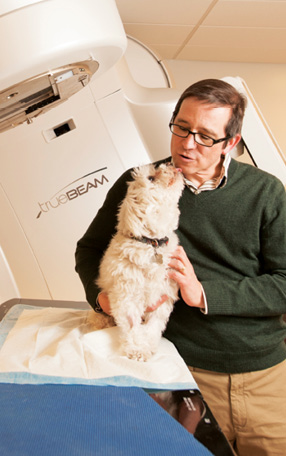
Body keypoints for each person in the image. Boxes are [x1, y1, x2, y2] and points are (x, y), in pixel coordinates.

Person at [75, 79, 286, 455]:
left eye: (206, 136)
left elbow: (283, 284)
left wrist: (201, 292)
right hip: (183, 371)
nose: (187, 144)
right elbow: (89, 249)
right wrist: (102, 300)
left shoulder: (266, 193)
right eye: (182, 128)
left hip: (265, 375)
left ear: (231, 143)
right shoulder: (139, 183)